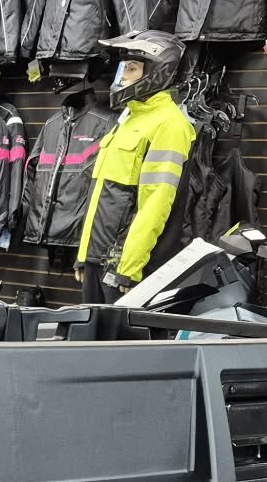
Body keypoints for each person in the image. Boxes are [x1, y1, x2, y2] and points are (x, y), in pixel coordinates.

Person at [75, 31, 195, 303]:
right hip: (97, 260)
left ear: (157, 71)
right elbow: (101, 194)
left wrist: (129, 268)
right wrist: (84, 255)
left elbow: (156, 201)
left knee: (118, 332)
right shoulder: (129, 118)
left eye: (131, 68)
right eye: (123, 68)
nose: (123, 76)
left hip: (122, 269)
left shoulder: (170, 124)